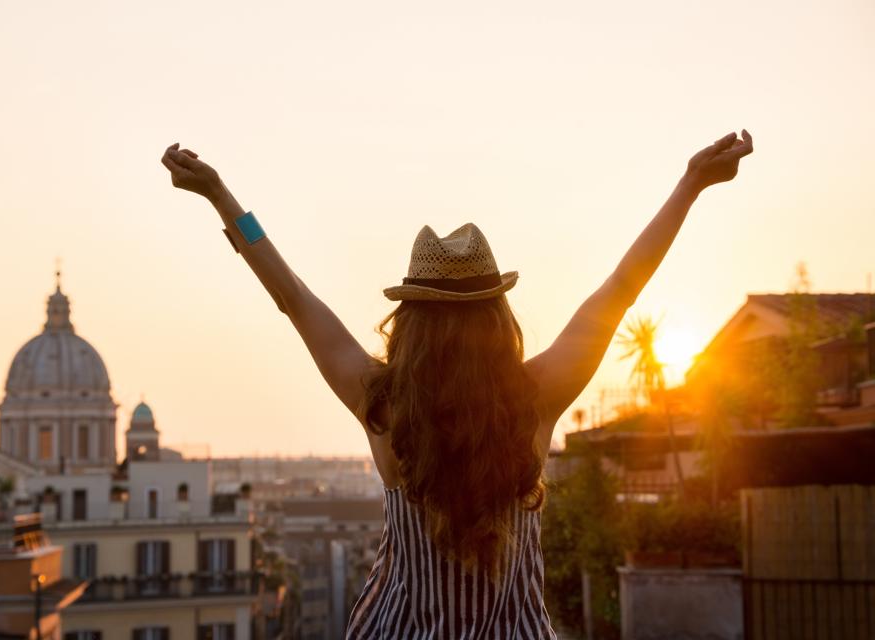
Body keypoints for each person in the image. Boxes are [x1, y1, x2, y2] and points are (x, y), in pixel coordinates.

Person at [160, 129, 754, 638]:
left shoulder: (383, 406)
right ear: (498, 319)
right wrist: (689, 187)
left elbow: (291, 296)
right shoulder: (535, 399)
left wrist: (221, 197)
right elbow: (621, 288)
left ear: (410, 320)